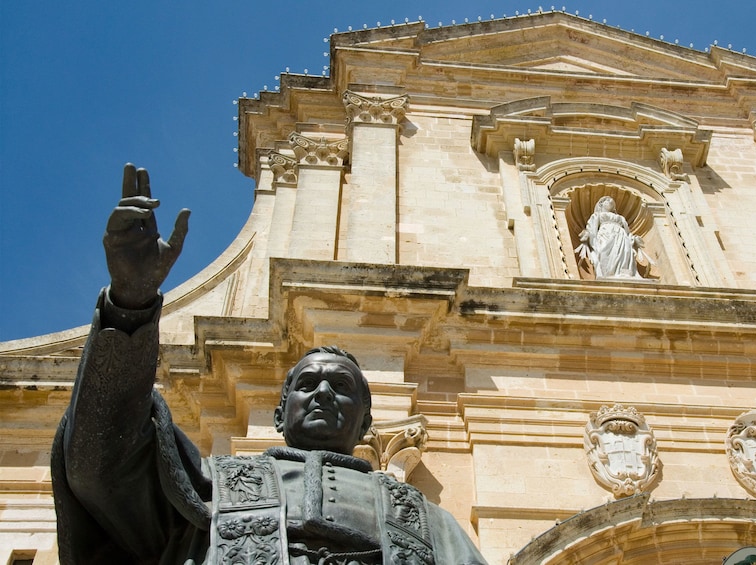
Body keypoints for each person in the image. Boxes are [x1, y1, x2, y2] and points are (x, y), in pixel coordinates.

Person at [51, 164, 487, 565]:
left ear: (366, 422)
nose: (322, 393)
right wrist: (130, 302)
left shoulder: (436, 527)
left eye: (341, 386)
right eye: (308, 383)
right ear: (279, 413)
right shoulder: (206, 485)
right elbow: (97, 462)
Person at [575, 196, 650, 279]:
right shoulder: (597, 215)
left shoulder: (621, 218)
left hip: (621, 236)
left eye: (611, 202)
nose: (609, 202)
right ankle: (607, 273)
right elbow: (592, 228)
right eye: (606, 201)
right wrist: (588, 235)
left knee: (625, 251)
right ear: (601, 204)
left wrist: (633, 239)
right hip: (605, 234)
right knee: (604, 250)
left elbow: (627, 232)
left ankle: (624, 273)